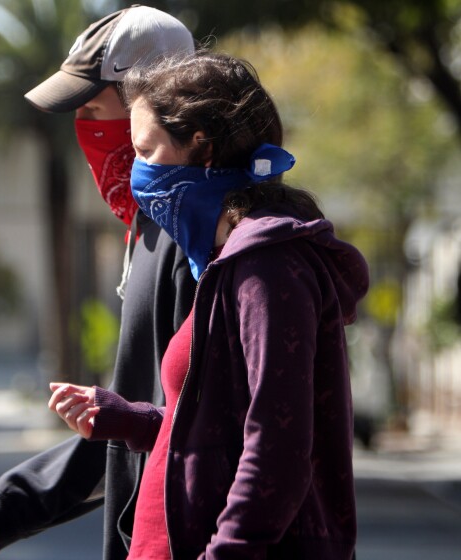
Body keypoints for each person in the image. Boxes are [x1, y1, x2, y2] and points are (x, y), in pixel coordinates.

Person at [49, 51, 369, 559]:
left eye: (147, 150)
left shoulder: (268, 266)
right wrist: (127, 418)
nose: (137, 171)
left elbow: (277, 450)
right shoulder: (227, 263)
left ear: (202, 147)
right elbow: (215, 433)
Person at [0, 6, 196, 560]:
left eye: (95, 106)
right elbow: (136, 424)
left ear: (155, 100)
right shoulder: (152, 225)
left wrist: (3, 513)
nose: (86, 128)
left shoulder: (195, 233)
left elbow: (194, 426)